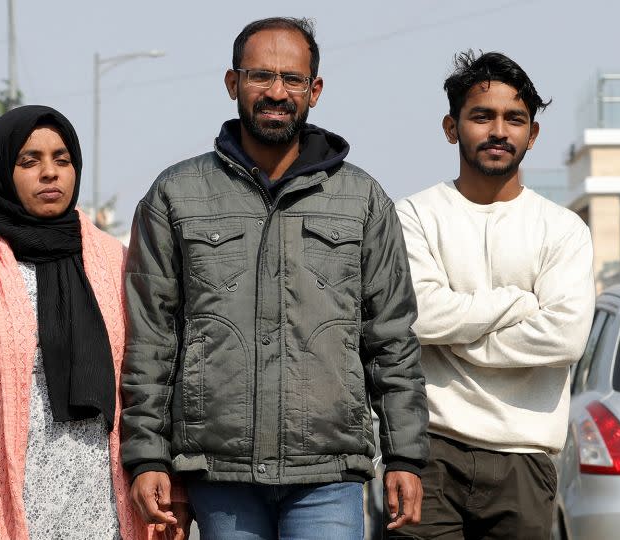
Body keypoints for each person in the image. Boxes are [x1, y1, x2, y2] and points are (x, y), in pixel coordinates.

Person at [121, 17, 428, 540]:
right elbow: (151, 338)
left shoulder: (362, 201)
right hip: (219, 472)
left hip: (327, 472)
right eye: (261, 76)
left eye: (292, 79)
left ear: (315, 90)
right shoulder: (176, 196)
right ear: (232, 82)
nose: (276, 92)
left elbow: (391, 339)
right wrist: (147, 455)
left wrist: (406, 455)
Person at [0, 105, 183, 539]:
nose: (50, 173)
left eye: (62, 159)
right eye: (29, 161)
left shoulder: (115, 263)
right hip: (7, 509)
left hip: (103, 508)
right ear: (2, 171)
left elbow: (149, 376)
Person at [391, 51, 596, 540]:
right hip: (429, 452)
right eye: (482, 116)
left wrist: (453, 341)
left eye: (515, 119)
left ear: (533, 134)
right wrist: (518, 303)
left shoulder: (563, 229)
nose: (499, 130)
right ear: (451, 126)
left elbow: (565, 339)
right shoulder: (413, 216)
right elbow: (416, 318)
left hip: (524, 458)